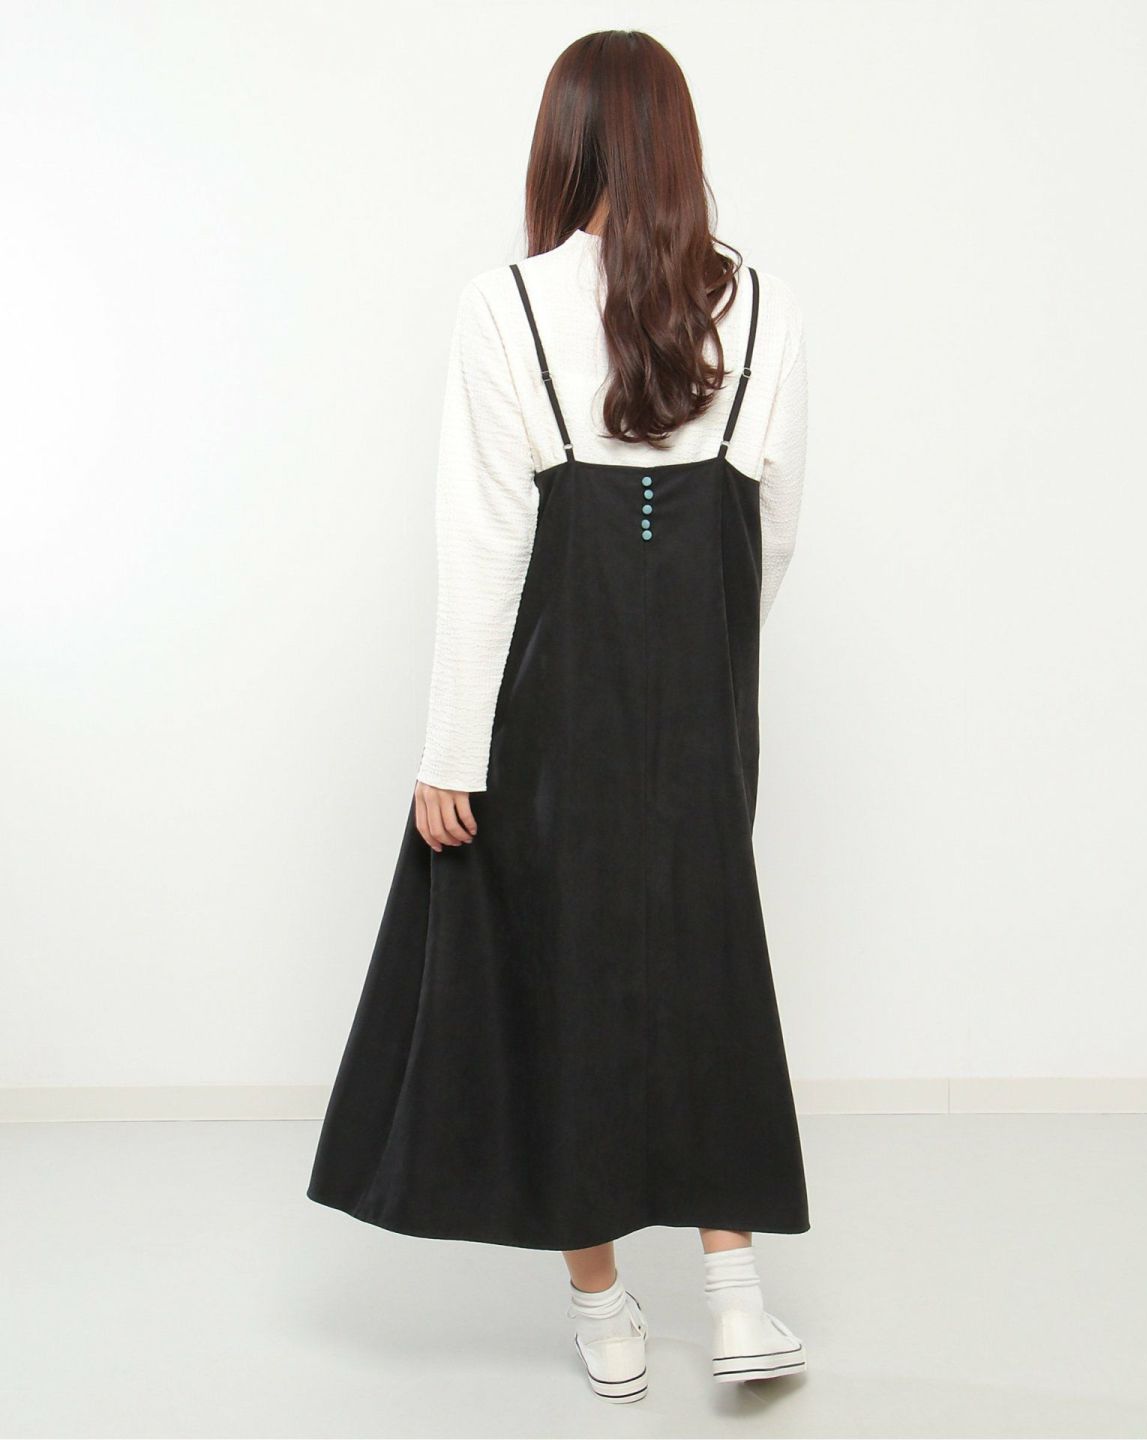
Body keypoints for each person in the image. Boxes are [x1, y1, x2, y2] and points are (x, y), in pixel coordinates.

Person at [308, 28, 811, 1403]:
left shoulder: (506, 305)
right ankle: (737, 1295)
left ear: (565, 143)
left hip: (549, 704)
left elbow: (485, 547)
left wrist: (450, 753)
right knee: (708, 964)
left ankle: (605, 1311)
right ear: (679, 144)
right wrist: (705, 677)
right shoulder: (764, 305)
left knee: (556, 979)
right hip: (702, 698)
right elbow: (769, 539)